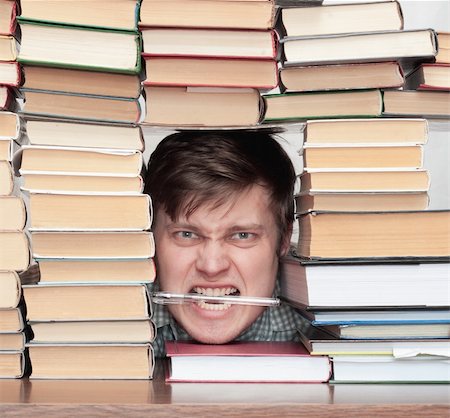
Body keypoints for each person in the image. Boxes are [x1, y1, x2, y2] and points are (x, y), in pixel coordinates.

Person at [144, 130, 303, 357]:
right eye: (186, 235)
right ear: (149, 238)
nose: (211, 266)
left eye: (242, 236)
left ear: (284, 240)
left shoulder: (323, 332)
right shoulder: (109, 328)